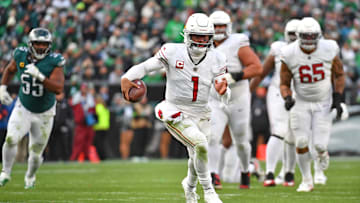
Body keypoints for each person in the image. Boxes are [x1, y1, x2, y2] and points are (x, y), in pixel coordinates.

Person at [121, 13, 228, 203]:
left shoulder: (217, 58)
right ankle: (209, 191)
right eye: (197, 36)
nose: (201, 41)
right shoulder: (172, 51)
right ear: (187, 35)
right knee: (201, 144)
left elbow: (223, 87)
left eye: (205, 37)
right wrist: (127, 77)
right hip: (174, 110)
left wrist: (223, 90)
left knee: (197, 152)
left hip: (202, 112)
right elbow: (146, 67)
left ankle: (189, 187)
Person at [279, 17, 346, 192]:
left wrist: (338, 97)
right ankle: (306, 181)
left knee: (320, 146)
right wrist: (287, 97)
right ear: (298, 36)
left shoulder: (329, 48)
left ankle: (323, 154)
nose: (309, 40)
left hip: (323, 102)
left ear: (319, 35)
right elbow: (284, 83)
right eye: (305, 36)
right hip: (300, 101)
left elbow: (339, 74)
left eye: (312, 36)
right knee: (301, 141)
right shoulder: (289, 53)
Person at [0, 28, 65, 189]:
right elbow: (10, 70)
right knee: (11, 138)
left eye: (44, 44)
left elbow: (58, 88)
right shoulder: (20, 54)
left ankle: (30, 176)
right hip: (24, 107)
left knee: (36, 152)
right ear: (31, 44)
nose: (41, 47)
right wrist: (2, 87)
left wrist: (40, 77)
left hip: (45, 113)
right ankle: (5, 172)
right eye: (38, 43)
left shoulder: (54, 61)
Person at [207, 10, 262, 189]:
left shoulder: (237, 43)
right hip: (215, 99)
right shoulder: (202, 44)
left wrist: (234, 77)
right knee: (212, 138)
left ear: (229, 27)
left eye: (222, 26)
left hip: (238, 98)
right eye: (216, 26)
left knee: (241, 140)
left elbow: (256, 67)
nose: (219, 29)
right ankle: (214, 174)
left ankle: (245, 170)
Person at [250, 19, 300, 187]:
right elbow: (263, 71)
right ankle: (270, 172)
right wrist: (249, 89)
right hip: (278, 92)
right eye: (292, 34)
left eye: (297, 34)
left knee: (293, 136)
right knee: (278, 131)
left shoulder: (310, 52)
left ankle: (288, 174)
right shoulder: (279, 48)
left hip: (298, 95)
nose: (295, 38)